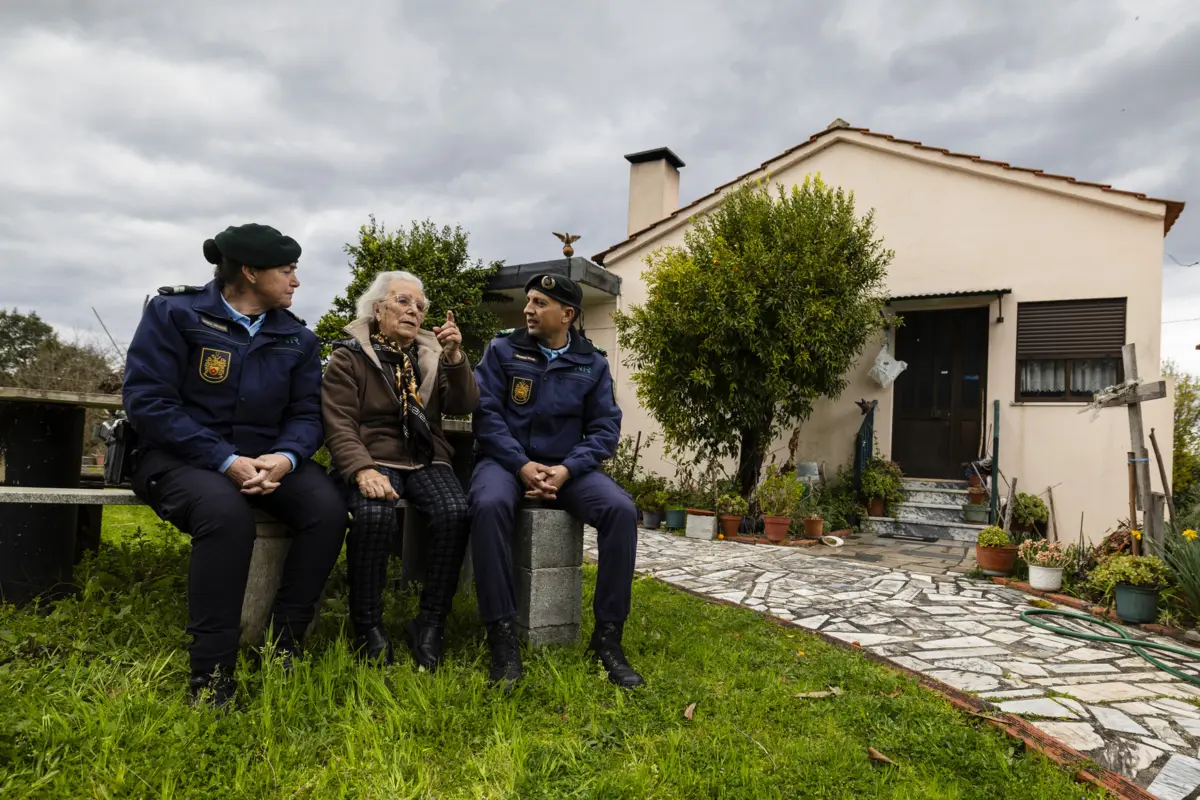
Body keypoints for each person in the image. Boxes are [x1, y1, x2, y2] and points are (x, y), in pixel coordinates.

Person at [123, 223, 347, 709]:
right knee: (226, 516)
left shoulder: (298, 338)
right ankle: (211, 675)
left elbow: (307, 414)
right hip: (178, 456)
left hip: (266, 459)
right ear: (250, 272)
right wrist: (224, 460)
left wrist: (286, 457)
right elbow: (149, 402)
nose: (296, 281)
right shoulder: (174, 314)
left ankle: (284, 644)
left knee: (328, 511)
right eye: (287, 270)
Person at [470, 273, 643, 689]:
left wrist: (567, 469)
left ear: (567, 315)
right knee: (488, 505)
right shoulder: (501, 349)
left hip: (567, 468)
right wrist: (521, 464)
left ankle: (608, 639)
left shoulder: (592, 362)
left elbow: (605, 428)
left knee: (620, 510)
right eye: (528, 300)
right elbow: (485, 414)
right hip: (506, 462)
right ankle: (502, 636)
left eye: (539, 303)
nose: (528, 309)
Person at [321, 271, 479, 669]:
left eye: (420, 306)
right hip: (373, 456)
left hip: (425, 456)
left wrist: (455, 358)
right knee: (374, 515)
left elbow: (463, 404)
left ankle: (430, 623)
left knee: (454, 512)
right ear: (378, 309)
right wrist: (361, 470)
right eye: (403, 301)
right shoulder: (349, 356)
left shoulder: (430, 355)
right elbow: (339, 422)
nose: (414, 311)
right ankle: (368, 625)